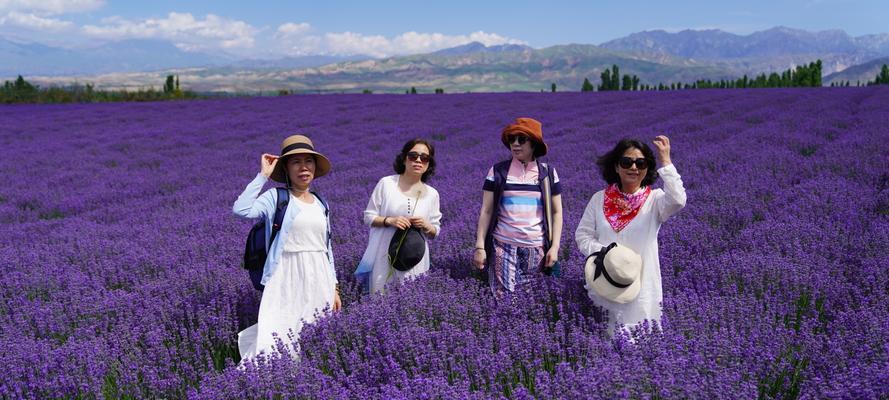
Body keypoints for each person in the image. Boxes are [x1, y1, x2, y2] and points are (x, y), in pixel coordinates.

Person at [232, 134, 341, 360]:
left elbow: (327, 249)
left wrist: (335, 287)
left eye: (308, 161)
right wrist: (263, 175)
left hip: (319, 275)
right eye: (296, 162)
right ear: (287, 168)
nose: (304, 167)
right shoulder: (276, 197)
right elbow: (241, 210)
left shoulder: (321, 202)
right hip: (286, 275)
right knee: (278, 332)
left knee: (316, 334)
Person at [575, 135, 686, 337]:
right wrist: (607, 256)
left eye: (640, 163)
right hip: (606, 281)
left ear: (647, 168)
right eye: (627, 162)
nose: (633, 167)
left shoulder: (655, 200)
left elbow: (678, 200)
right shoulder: (599, 199)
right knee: (604, 341)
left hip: (642, 287)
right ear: (616, 167)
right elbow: (583, 235)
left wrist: (666, 162)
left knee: (642, 340)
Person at [472, 117, 563, 297]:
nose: (515, 144)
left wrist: (555, 247)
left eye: (521, 139)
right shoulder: (498, 172)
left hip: (536, 248)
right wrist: (480, 246)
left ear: (534, 143)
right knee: (504, 299)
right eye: (512, 139)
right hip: (503, 245)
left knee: (529, 301)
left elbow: (557, 212)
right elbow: (486, 211)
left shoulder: (548, 173)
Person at [355, 139, 442, 294]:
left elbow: (435, 230)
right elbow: (368, 217)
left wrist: (426, 225)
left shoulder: (432, 194)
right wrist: (390, 221)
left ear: (429, 163)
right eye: (413, 156)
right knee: (381, 298)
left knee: (411, 300)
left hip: (414, 257)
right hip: (384, 255)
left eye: (424, 158)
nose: (418, 160)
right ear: (404, 158)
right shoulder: (386, 184)